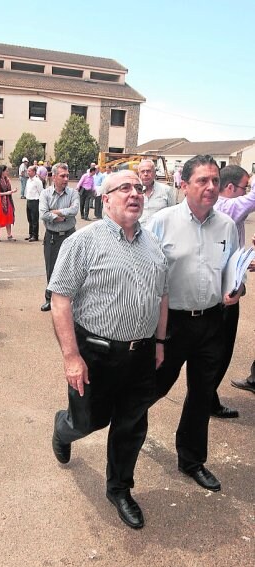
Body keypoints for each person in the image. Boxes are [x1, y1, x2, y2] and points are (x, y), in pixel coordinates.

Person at [49, 170, 168, 529]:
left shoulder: (154, 244)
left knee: (131, 425)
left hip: (142, 354)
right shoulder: (83, 243)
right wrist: (71, 357)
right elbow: (60, 300)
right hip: (95, 354)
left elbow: (162, 296)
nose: (135, 193)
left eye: (139, 188)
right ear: (106, 199)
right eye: (125, 188)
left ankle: (119, 488)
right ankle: (63, 427)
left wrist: (160, 342)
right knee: (89, 420)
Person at [146, 155, 240, 493]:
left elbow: (232, 273)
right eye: (203, 180)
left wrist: (236, 288)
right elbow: (145, 274)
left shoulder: (227, 226)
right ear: (183, 185)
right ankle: (125, 440)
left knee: (202, 394)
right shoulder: (161, 222)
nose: (211, 187)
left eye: (215, 180)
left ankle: (191, 460)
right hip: (171, 325)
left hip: (212, 322)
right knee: (152, 390)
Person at [210, 166, 255, 417]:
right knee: (220, 349)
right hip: (226, 291)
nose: (246, 192)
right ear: (230, 188)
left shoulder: (222, 209)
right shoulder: (227, 206)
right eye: (243, 187)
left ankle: (207, 395)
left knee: (215, 349)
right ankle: (206, 398)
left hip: (223, 285)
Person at [39, 163, 79, 312]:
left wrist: (56, 212)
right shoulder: (45, 194)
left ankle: (69, 301)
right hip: (52, 238)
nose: (66, 179)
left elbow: (74, 210)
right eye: (62, 176)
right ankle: (50, 299)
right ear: (54, 177)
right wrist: (59, 216)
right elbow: (43, 214)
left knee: (71, 269)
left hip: (70, 235)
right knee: (51, 269)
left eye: (67, 175)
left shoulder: (73, 193)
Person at [137, 159, 176, 225]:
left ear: (154, 173)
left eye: (148, 171)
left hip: (160, 233)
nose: (145, 174)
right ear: (139, 174)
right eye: (142, 171)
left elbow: (174, 214)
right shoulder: (134, 192)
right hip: (140, 233)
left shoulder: (166, 190)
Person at [0, 165, 17, 241]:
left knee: (8, 217)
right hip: (0, 201)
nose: (7, 172)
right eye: (6, 171)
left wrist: (12, 191)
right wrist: (6, 193)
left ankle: (9, 235)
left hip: (8, 200)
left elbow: (8, 191)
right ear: (2, 171)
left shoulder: (7, 179)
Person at [24, 165, 43, 242]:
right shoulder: (28, 180)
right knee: (29, 218)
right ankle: (30, 234)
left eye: (30, 171)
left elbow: (40, 191)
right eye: (28, 171)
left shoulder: (37, 181)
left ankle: (35, 235)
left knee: (34, 218)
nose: (28, 172)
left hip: (35, 200)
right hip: (29, 200)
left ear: (34, 172)